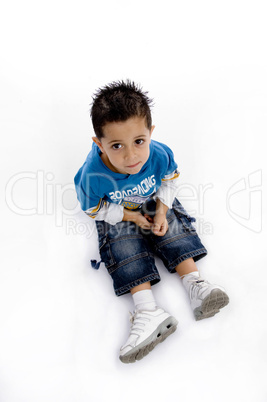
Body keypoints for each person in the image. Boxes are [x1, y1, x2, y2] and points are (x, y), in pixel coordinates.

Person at [74, 80, 229, 364]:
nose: (131, 156)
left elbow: (170, 182)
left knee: (173, 227)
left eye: (139, 141)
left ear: (150, 133)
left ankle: (195, 284)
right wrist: (129, 216)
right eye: (116, 146)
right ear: (99, 144)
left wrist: (159, 212)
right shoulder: (91, 176)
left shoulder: (159, 154)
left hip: (152, 199)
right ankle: (147, 310)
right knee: (123, 244)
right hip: (115, 209)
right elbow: (94, 210)